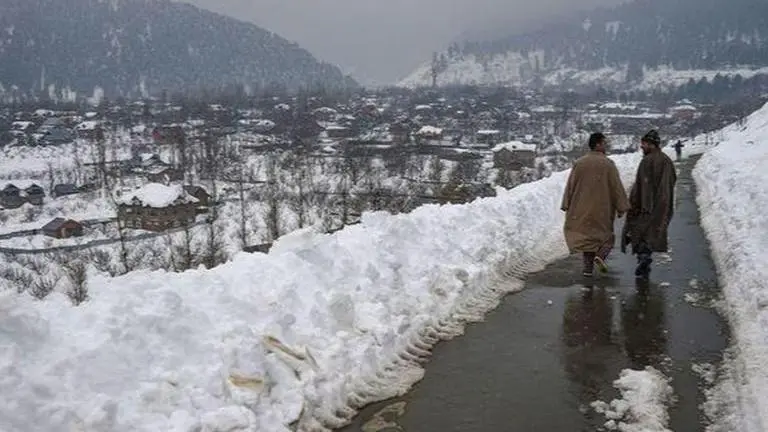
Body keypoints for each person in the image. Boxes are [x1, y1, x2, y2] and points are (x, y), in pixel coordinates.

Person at [561, 132, 630, 277]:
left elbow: (570, 185)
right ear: (598, 144)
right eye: (604, 143)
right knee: (607, 237)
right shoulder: (608, 164)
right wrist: (621, 207)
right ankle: (601, 256)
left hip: (582, 207)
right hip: (602, 208)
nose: (606, 145)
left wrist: (566, 203)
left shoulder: (580, 163)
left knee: (588, 240)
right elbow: (616, 187)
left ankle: (588, 269)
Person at [621, 130, 677, 279]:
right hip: (663, 205)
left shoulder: (647, 161)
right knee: (652, 233)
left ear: (652, 144)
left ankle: (643, 257)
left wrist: (636, 205)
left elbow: (641, 186)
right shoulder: (667, 161)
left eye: (644, 144)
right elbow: (671, 182)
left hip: (646, 205)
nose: (642, 146)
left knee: (639, 232)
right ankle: (645, 259)